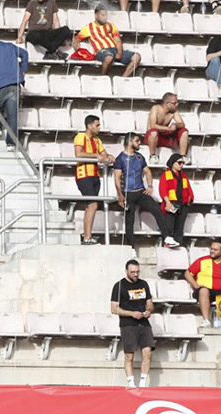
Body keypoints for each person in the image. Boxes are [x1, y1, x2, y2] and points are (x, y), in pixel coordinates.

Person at [113, 133, 177, 248]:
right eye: (137, 141)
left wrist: (150, 186)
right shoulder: (120, 159)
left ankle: (166, 237)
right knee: (129, 221)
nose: (139, 143)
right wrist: (120, 195)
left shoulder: (139, 157)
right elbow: (117, 178)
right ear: (130, 141)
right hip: (128, 193)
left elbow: (147, 172)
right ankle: (130, 247)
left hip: (140, 192)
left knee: (157, 209)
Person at [110, 259, 154, 388]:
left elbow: (150, 303)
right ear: (126, 272)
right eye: (132, 272)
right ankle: (131, 383)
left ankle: (143, 382)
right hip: (128, 324)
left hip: (144, 323)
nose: (135, 274)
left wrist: (148, 311)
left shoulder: (144, 284)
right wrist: (131, 313)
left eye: (137, 272)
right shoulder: (119, 286)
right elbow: (114, 309)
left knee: (147, 353)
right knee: (129, 355)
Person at [74, 115, 113, 245]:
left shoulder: (97, 140)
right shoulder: (81, 136)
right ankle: (87, 237)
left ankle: (87, 236)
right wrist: (96, 155)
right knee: (93, 204)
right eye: (97, 125)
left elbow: (104, 155)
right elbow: (78, 154)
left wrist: (109, 156)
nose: (99, 127)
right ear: (89, 126)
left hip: (95, 175)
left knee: (90, 206)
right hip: (83, 175)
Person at [73, 5, 140, 78]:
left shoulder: (111, 26)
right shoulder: (89, 28)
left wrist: (120, 52)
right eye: (102, 15)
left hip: (114, 50)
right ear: (96, 15)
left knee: (137, 57)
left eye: (106, 15)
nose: (105, 17)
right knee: (109, 57)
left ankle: (123, 79)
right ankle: (104, 78)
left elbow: (118, 40)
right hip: (101, 51)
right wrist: (77, 48)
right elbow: (76, 39)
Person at [158, 153, 194, 245]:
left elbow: (188, 189)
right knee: (169, 228)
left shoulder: (183, 175)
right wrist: (167, 202)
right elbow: (162, 189)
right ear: (173, 163)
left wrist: (189, 199)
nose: (181, 165)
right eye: (179, 163)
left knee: (179, 229)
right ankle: (167, 248)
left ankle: (178, 247)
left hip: (183, 205)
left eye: (182, 163)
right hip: (171, 204)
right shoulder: (166, 174)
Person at [145, 93, 189, 166]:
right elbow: (153, 126)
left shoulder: (174, 111)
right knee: (153, 132)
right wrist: (168, 128)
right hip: (154, 137)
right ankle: (152, 155)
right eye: (174, 103)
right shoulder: (155, 108)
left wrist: (175, 125)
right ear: (167, 103)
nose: (177, 105)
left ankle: (183, 156)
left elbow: (182, 124)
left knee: (184, 131)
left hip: (166, 136)